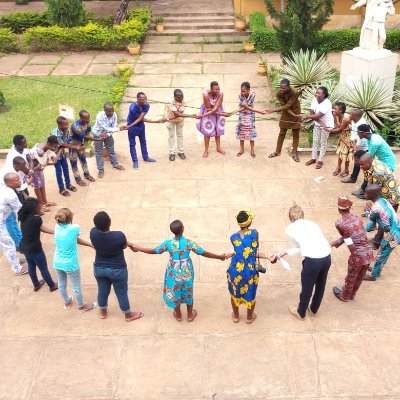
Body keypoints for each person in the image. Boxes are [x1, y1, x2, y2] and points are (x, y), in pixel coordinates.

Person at [130, 220, 226, 322]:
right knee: (188, 290)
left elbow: (154, 251)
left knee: (175, 290)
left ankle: (178, 315)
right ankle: (190, 315)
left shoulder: (168, 244)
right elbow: (204, 253)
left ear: (172, 231)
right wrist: (219, 257)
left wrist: (139, 248)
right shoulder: (189, 243)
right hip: (186, 272)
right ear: (183, 229)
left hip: (173, 272)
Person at [274, 203, 331, 320]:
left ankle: (301, 312)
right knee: (321, 284)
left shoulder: (290, 229)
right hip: (326, 257)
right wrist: (286, 252)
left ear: (290, 218)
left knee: (307, 287)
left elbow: (299, 247)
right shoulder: (313, 224)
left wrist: (285, 252)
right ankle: (314, 308)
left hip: (312, 261)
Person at [90, 211, 144, 321]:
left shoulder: (93, 233)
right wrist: (130, 244)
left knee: (102, 290)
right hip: (117, 269)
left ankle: (103, 312)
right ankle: (128, 315)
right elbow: (124, 246)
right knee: (121, 292)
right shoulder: (119, 235)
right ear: (109, 222)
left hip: (99, 268)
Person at [226, 210, 268, 324]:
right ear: (250, 222)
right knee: (250, 292)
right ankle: (249, 317)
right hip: (250, 269)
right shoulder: (255, 233)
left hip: (236, 269)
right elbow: (253, 249)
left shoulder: (233, 237)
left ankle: (235, 316)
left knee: (235, 291)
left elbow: (239, 250)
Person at [53, 208, 96, 312]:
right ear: (69, 218)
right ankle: (81, 306)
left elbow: (74, 239)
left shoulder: (56, 227)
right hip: (70, 264)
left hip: (57, 261)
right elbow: (75, 237)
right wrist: (91, 245)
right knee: (76, 287)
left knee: (61, 284)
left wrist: (90, 245)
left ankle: (67, 302)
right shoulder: (74, 228)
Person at [330, 196, 373, 301]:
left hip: (357, 255)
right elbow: (349, 236)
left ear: (339, 209)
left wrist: (334, 243)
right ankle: (352, 294)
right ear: (350, 208)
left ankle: (344, 296)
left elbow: (347, 237)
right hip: (368, 252)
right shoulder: (357, 218)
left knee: (351, 277)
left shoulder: (339, 223)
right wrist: (335, 243)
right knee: (360, 277)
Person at [18, 197, 58, 292]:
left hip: (24, 247)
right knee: (43, 268)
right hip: (35, 249)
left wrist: (54, 231)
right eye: (38, 206)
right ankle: (52, 286)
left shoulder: (23, 216)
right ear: (33, 208)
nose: (40, 206)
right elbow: (40, 226)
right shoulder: (37, 219)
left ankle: (36, 285)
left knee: (31, 266)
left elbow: (40, 228)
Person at [363, 184, 400, 280]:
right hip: (396, 230)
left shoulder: (375, 208)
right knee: (383, 253)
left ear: (372, 195)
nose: (365, 195)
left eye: (367, 193)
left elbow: (371, 225)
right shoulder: (384, 201)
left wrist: (367, 214)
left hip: (393, 235)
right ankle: (377, 268)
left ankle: (373, 275)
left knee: (381, 254)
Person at [123, 92, 162, 169]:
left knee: (143, 142)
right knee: (132, 144)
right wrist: (129, 126)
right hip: (132, 126)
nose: (145, 100)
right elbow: (140, 118)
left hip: (140, 126)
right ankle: (135, 161)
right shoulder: (133, 108)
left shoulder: (147, 105)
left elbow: (141, 118)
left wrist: (156, 121)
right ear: (137, 99)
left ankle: (146, 157)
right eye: (143, 99)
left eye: (145, 98)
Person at [266, 79, 302, 162]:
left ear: (288, 87)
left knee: (295, 133)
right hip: (286, 112)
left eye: (283, 88)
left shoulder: (294, 92)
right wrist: (292, 114)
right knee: (282, 133)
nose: (281, 90)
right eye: (280, 88)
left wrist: (274, 110)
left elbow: (288, 105)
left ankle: (294, 153)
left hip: (296, 111)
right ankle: (277, 151)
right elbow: (285, 106)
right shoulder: (279, 94)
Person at [0, 173, 27, 275]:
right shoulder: (11, 195)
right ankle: (17, 269)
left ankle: (14, 260)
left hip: (2, 220)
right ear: (10, 183)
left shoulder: (5, 188)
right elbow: (21, 210)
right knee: (9, 245)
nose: (19, 181)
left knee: (7, 243)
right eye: (17, 180)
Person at [301, 86, 334, 169]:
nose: (317, 94)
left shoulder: (327, 103)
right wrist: (319, 122)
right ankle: (313, 158)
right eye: (316, 92)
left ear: (324, 95)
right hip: (318, 124)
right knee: (315, 141)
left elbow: (319, 115)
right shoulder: (314, 100)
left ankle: (320, 160)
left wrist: (307, 116)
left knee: (323, 142)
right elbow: (312, 113)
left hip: (327, 125)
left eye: (319, 93)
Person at [196, 81, 229, 158]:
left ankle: (218, 148)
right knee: (207, 132)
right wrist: (224, 114)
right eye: (215, 89)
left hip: (217, 111)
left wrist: (221, 114)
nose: (217, 91)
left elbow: (215, 108)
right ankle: (206, 150)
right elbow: (210, 110)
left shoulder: (221, 94)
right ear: (211, 89)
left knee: (218, 130)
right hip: (208, 113)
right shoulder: (205, 95)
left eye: (218, 89)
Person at [92, 102, 125, 179]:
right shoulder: (100, 116)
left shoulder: (114, 114)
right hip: (98, 134)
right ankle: (101, 169)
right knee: (98, 151)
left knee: (111, 148)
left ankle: (115, 164)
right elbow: (106, 128)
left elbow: (113, 126)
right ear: (105, 110)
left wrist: (108, 134)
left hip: (108, 134)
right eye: (109, 111)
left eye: (112, 110)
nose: (112, 112)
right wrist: (119, 129)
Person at [69, 110, 101, 185]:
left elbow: (87, 133)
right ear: (81, 118)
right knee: (74, 162)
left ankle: (86, 175)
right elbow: (85, 136)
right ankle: (78, 179)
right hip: (72, 145)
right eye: (86, 118)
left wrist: (84, 145)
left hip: (81, 143)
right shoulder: (75, 126)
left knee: (83, 160)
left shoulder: (87, 123)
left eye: (89, 117)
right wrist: (97, 139)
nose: (88, 119)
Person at [233, 82, 264, 158]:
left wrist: (233, 112)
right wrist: (259, 111)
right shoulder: (240, 95)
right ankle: (241, 149)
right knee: (241, 131)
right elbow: (244, 106)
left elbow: (247, 107)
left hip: (250, 115)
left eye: (244, 91)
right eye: (241, 91)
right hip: (242, 115)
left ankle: (252, 150)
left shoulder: (252, 95)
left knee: (251, 131)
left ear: (249, 90)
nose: (242, 93)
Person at [165, 89, 197, 161]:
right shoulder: (169, 101)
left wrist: (181, 115)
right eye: (179, 97)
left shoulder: (183, 101)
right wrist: (190, 115)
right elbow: (177, 113)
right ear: (175, 97)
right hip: (170, 120)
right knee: (171, 135)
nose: (181, 99)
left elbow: (179, 114)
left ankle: (181, 152)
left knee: (180, 135)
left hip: (180, 120)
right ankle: (172, 153)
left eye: (182, 97)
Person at [51, 116, 80, 197]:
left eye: (67, 124)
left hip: (62, 153)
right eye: (65, 125)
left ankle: (68, 184)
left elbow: (66, 142)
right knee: (59, 171)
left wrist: (70, 144)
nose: (67, 126)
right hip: (54, 155)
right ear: (59, 125)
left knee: (66, 169)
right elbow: (63, 144)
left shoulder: (66, 130)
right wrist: (75, 147)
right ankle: (61, 189)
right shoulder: (56, 134)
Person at [29, 136, 59, 212]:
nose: (54, 149)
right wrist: (47, 163)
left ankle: (45, 201)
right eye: (53, 147)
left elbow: (51, 157)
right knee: (37, 186)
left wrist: (53, 159)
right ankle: (41, 204)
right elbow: (35, 163)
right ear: (48, 144)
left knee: (42, 184)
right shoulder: (36, 151)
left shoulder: (47, 146)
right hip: (34, 169)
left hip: (40, 169)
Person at [322, 102, 352, 177]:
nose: (333, 110)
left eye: (335, 109)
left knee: (346, 155)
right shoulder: (336, 116)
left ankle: (346, 170)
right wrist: (332, 129)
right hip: (342, 135)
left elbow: (339, 130)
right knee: (340, 153)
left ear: (341, 110)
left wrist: (327, 129)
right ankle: (338, 168)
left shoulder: (346, 118)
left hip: (350, 137)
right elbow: (338, 127)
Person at [341, 109, 368, 184]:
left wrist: (356, 148)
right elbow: (353, 135)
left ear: (356, 116)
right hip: (358, 143)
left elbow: (362, 139)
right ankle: (353, 178)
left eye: (351, 114)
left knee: (365, 164)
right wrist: (354, 145)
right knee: (357, 161)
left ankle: (366, 183)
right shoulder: (354, 121)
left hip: (365, 146)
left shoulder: (362, 124)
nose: (349, 115)